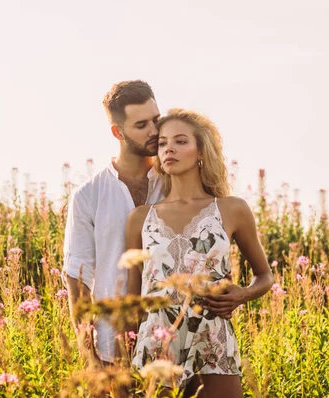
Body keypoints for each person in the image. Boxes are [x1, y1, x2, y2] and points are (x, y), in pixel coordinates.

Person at [126, 108, 273, 397]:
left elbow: (265, 275)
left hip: (212, 334)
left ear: (201, 151)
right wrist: (125, 353)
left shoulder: (232, 209)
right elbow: (134, 297)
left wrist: (242, 294)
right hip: (157, 341)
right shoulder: (140, 218)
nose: (169, 149)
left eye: (181, 142)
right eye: (163, 143)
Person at [62, 80, 163, 366]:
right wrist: (90, 359)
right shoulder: (88, 196)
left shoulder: (176, 184)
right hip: (112, 347)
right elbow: (77, 281)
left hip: (171, 341)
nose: (154, 131)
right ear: (118, 132)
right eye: (141, 125)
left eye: (157, 120)